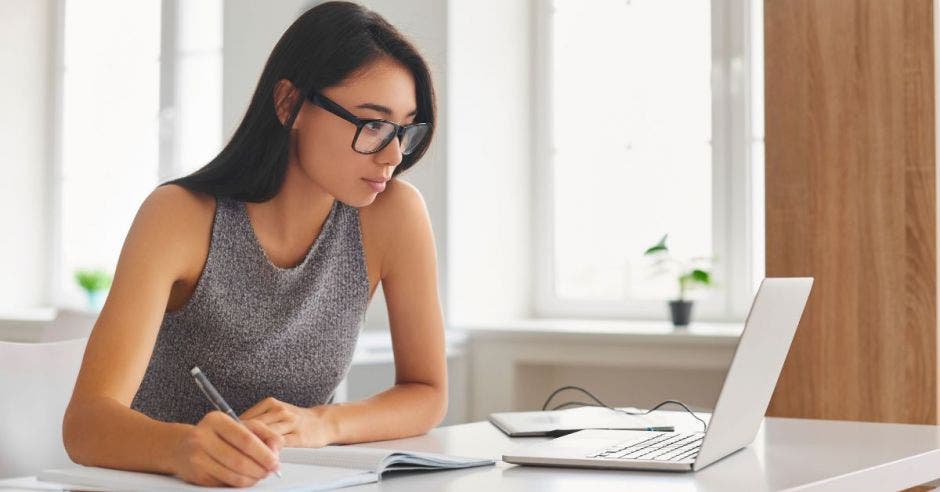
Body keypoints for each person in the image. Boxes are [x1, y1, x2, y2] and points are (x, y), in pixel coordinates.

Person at [62, 2, 446, 487]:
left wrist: (323, 423)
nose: (393, 155)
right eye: (372, 124)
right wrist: (183, 448)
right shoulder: (179, 216)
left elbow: (427, 391)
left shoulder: (394, 215)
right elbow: (85, 424)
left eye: (404, 129)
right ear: (290, 104)